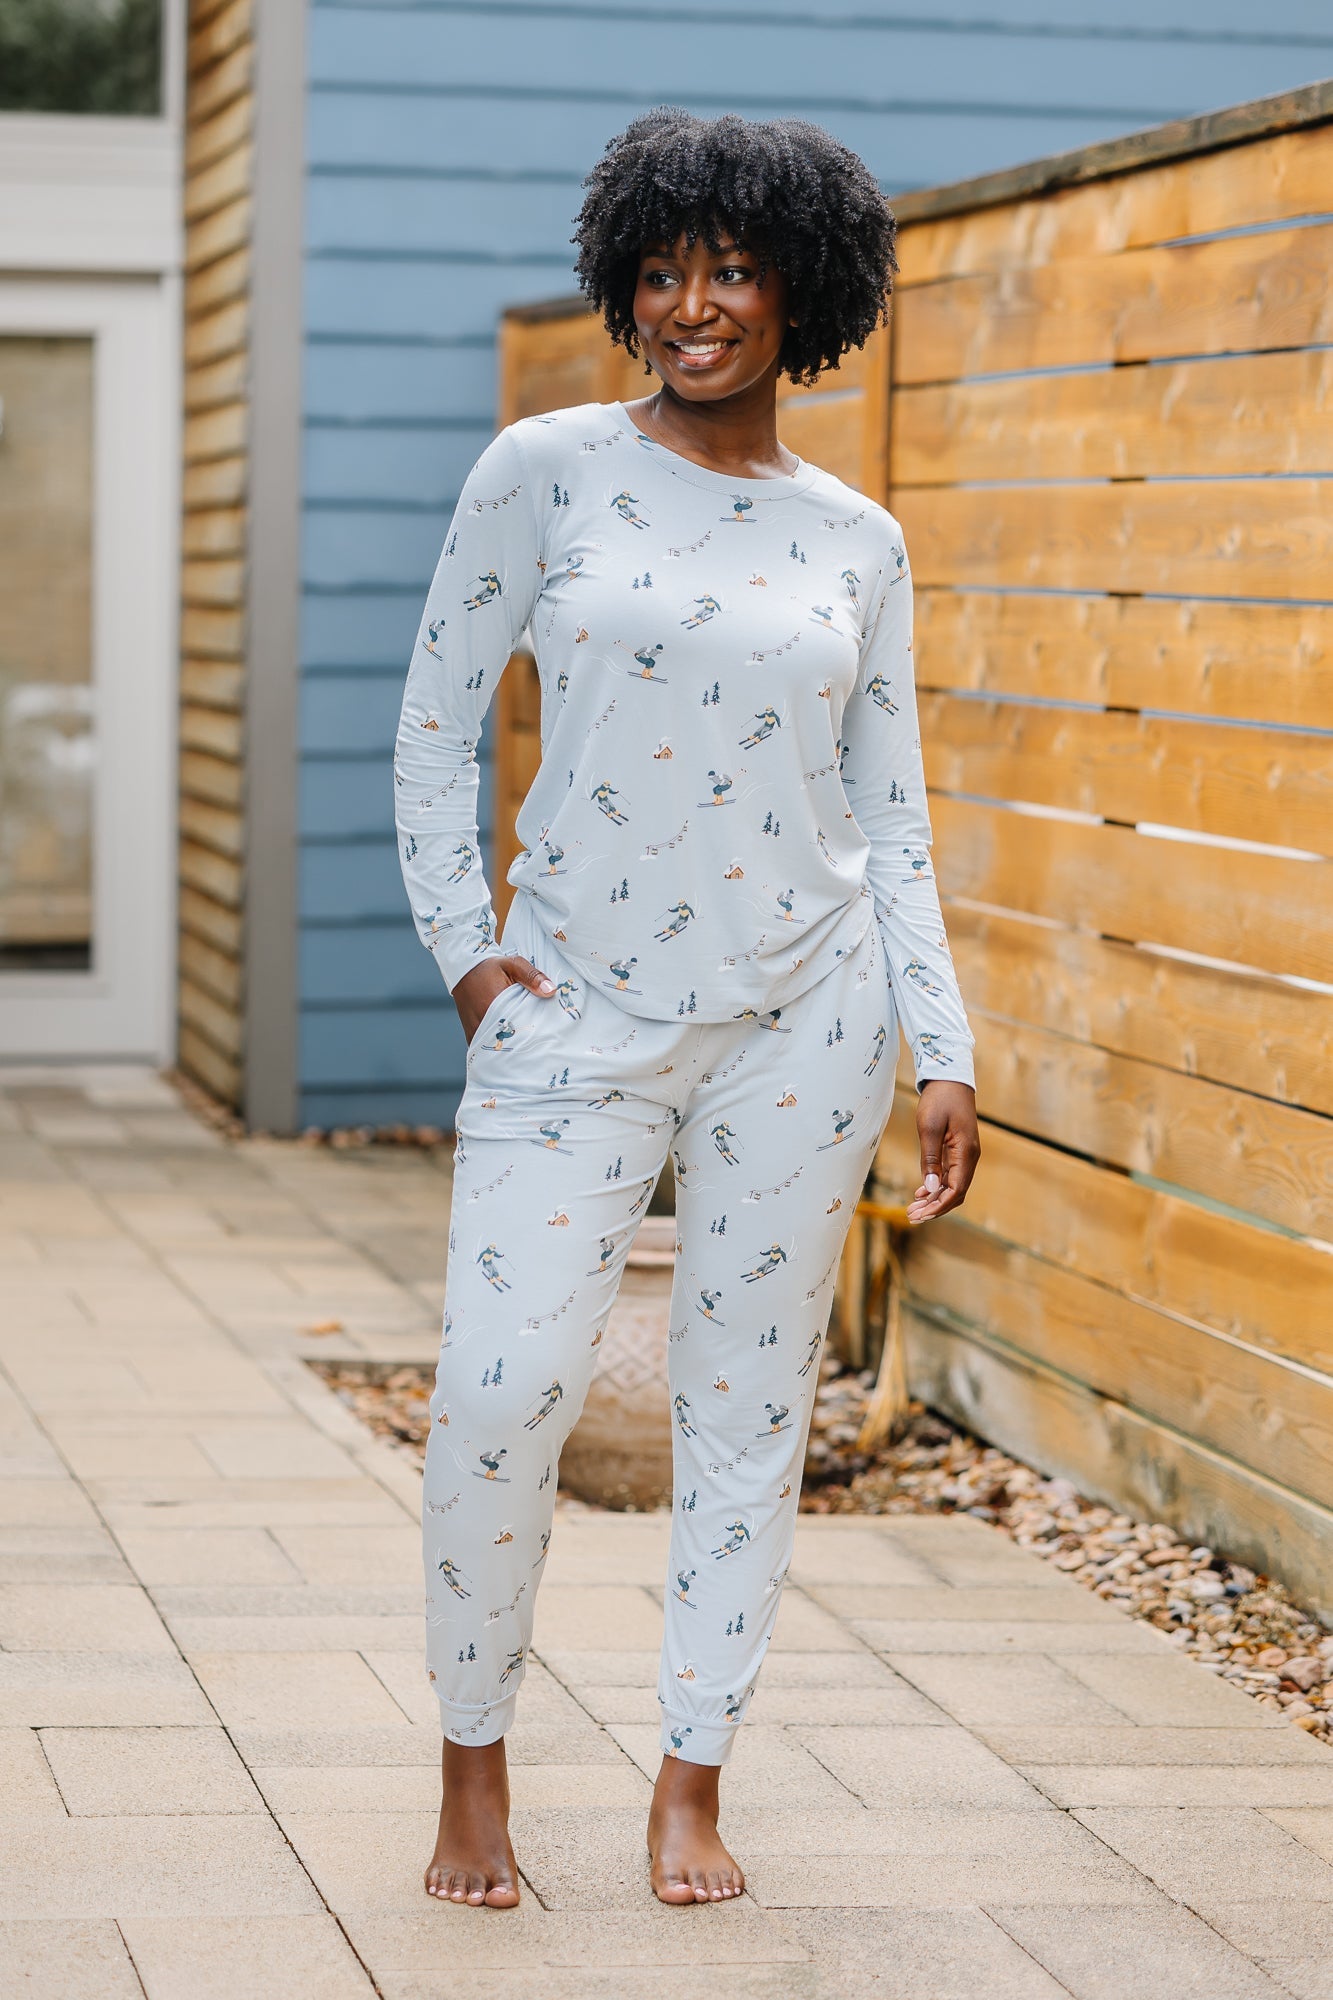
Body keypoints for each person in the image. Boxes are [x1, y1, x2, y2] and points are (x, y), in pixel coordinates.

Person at [393, 105, 980, 1910]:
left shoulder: (856, 541)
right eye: (660, 272)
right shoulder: (545, 468)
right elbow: (431, 726)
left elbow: (887, 809)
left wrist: (938, 1042)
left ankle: (689, 1779)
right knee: (499, 1393)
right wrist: (474, 965)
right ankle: (472, 1773)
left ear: (801, 289)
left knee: (745, 1415)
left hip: (807, 1025)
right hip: (573, 1015)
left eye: (728, 270)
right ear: (622, 286)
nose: (691, 305)